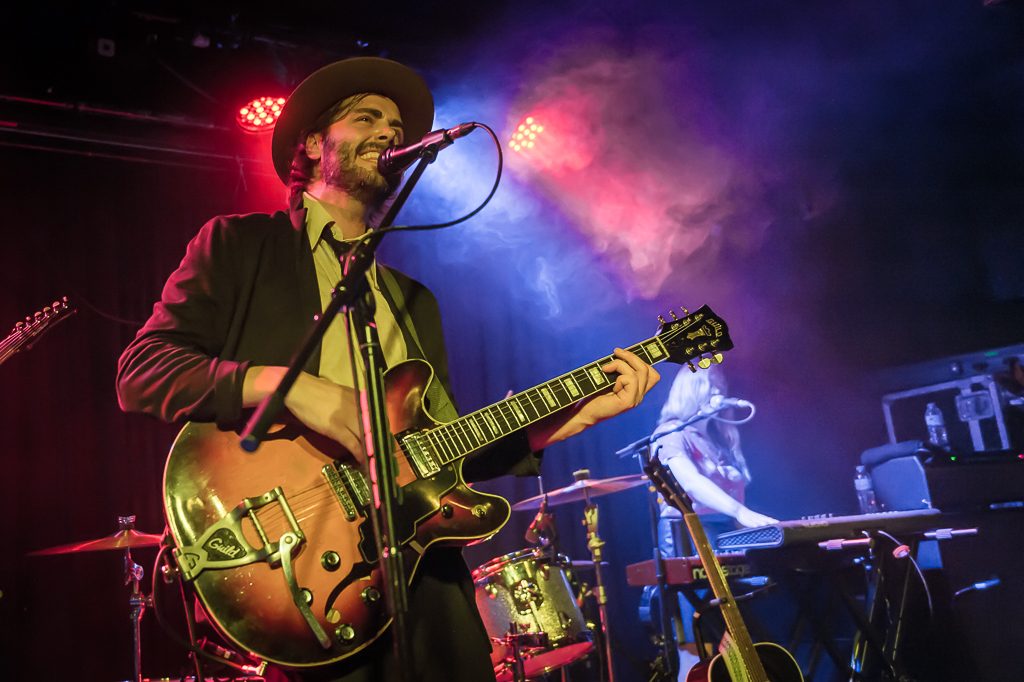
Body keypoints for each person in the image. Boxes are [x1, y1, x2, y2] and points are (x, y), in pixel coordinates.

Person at [115, 57, 658, 682]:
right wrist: (290, 388)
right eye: (366, 116)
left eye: (395, 124)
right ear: (314, 145)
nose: (389, 132)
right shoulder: (240, 246)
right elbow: (142, 371)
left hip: (425, 587)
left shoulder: (413, 300)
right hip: (305, 570)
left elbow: (444, 453)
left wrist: (571, 418)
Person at [651, 365, 775, 679]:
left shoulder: (719, 440)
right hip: (691, 535)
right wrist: (739, 512)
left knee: (739, 637)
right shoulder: (670, 434)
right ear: (692, 390)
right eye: (712, 385)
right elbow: (690, 484)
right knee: (698, 643)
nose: (720, 392)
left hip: (727, 539)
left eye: (722, 383)